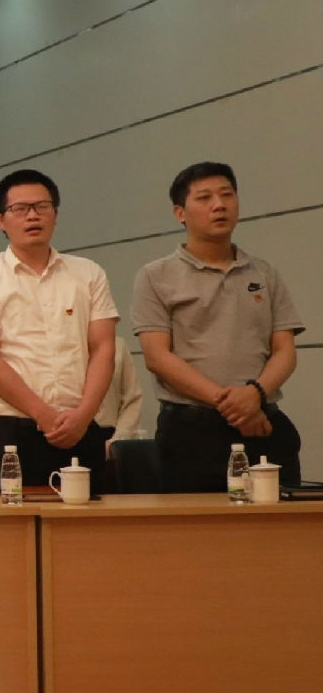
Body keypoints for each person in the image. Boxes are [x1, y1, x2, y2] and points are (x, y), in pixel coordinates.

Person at [133, 161, 302, 490]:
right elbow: (157, 357)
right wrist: (233, 405)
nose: (219, 205)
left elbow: (285, 350)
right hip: (191, 431)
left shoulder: (264, 273)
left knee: (281, 519)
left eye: (227, 195)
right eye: (205, 197)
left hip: (262, 421)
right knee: (199, 522)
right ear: (180, 213)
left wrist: (254, 395)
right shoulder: (155, 276)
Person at [0, 169, 118, 492]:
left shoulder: (88, 273)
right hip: (7, 432)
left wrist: (84, 415)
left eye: (42, 207)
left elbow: (103, 349)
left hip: (80, 427)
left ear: (55, 214)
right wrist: (42, 414)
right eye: (20, 209)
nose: (32, 216)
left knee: (86, 522)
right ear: (1, 220)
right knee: (5, 523)